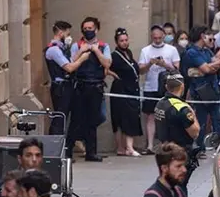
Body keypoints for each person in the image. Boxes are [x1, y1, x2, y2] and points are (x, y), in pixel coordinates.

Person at [66, 16, 111, 162]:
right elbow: (70, 62)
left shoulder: (104, 46)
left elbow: (107, 64)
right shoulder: (76, 45)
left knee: (93, 120)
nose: (87, 31)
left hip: (96, 86)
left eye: (90, 28)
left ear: (96, 30)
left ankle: (91, 152)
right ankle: (68, 152)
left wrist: (97, 51)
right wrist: (82, 51)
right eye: (85, 29)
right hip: (80, 86)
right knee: (76, 120)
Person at [138, 25, 181, 155]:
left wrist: (164, 64)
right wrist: (150, 63)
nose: (157, 40)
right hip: (150, 86)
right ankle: (150, 145)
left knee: (168, 116)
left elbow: (176, 68)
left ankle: (167, 144)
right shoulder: (145, 50)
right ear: (151, 37)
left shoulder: (172, 50)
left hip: (168, 86)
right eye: (154, 38)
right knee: (150, 116)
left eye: (159, 38)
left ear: (163, 36)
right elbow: (141, 70)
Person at [181, 26, 220, 151]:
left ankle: (218, 144)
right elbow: (206, 69)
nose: (211, 39)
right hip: (200, 91)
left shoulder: (206, 51)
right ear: (202, 36)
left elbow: (219, 63)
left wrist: (208, 68)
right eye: (208, 36)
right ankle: (199, 147)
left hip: (212, 88)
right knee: (201, 120)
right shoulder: (192, 52)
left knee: (217, 119)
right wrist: (208, 68)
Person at [43, 21, 88, 135]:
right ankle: (55, 142)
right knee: (60, 118)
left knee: (73, 115)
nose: (69, 37)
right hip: (61, 88)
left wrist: (80, 51)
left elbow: (69, 61)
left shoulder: (61, 49)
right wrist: (82, 59)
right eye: (68, 34)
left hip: (66, 86)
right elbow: (69, 68)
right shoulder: (54, 50)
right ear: (60, 33)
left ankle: (68, 142)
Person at [155, 73, 201, 181]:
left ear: (166, 87)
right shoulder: (182, 108)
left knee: (167, 183)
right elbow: (195, 132)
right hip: (180, 153)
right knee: (180, 185)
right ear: (182, 86)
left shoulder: (160, 103)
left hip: (164, 151)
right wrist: (192, 113)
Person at [109, 28, 143, 157]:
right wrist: (114, 74)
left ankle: (128, 146)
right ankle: (122, 147)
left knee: (131, 117)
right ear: (117, 42)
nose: (124, 42)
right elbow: (105, 68)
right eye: (121, 41)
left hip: (132, 89)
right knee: (120, 118)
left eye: (126, 40)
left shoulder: (129, 53)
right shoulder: (114, 56)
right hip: (120, 90)